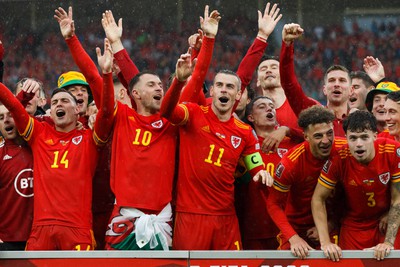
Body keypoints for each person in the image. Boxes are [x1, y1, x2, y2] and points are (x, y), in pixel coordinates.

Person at [0, 37, 114, 250]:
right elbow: (14, 108)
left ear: (77, 109)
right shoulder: (40, 133)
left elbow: (107, 110)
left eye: (65, 101)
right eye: (55, 102)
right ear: (50, 112)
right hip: (40, 230)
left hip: (77, 229)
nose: (59, 104)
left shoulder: (89, 138)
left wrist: (105, 75)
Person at [312, 110, 400, 261]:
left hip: (385, 223)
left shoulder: (393, 151)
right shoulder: (338, 159)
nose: (358, 144)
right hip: (354, 226)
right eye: (353, 138)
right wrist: (326, 243)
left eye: (364, 137)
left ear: (375, 135)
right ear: (345, 137)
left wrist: (388, 242)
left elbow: (397, 199)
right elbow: (318, 199)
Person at [267, 105, 346, 259]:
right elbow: (273, 204)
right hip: (296, 228)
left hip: (333, 223)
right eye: (318, 136)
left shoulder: (345, 150)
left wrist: (330, 224)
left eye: (329, 133)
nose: (326, 141)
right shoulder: (291, 163)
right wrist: (293, 237)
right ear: (306, 137)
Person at [235, 95, 300, 249]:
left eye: (271, 106)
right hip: (254, 227)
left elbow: (313, 139)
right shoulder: (246, 144)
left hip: (288, 227)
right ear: (251, 117)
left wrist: (287, 130)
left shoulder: (290, 143)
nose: (269, 108)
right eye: (262, 107)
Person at [279, 23, 351, 137]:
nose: (336, 84)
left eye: (342, 80)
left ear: (351, 90)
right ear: (324, 90)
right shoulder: (313, 114)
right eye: (332, 80)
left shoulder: (358, 119)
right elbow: (289, 85)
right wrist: (287, 46)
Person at [0, 94, 34, 250]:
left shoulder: (39, 144)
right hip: (7, 241)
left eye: (10, 115)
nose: (6, 120)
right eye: (1, 118)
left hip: (40, 239)